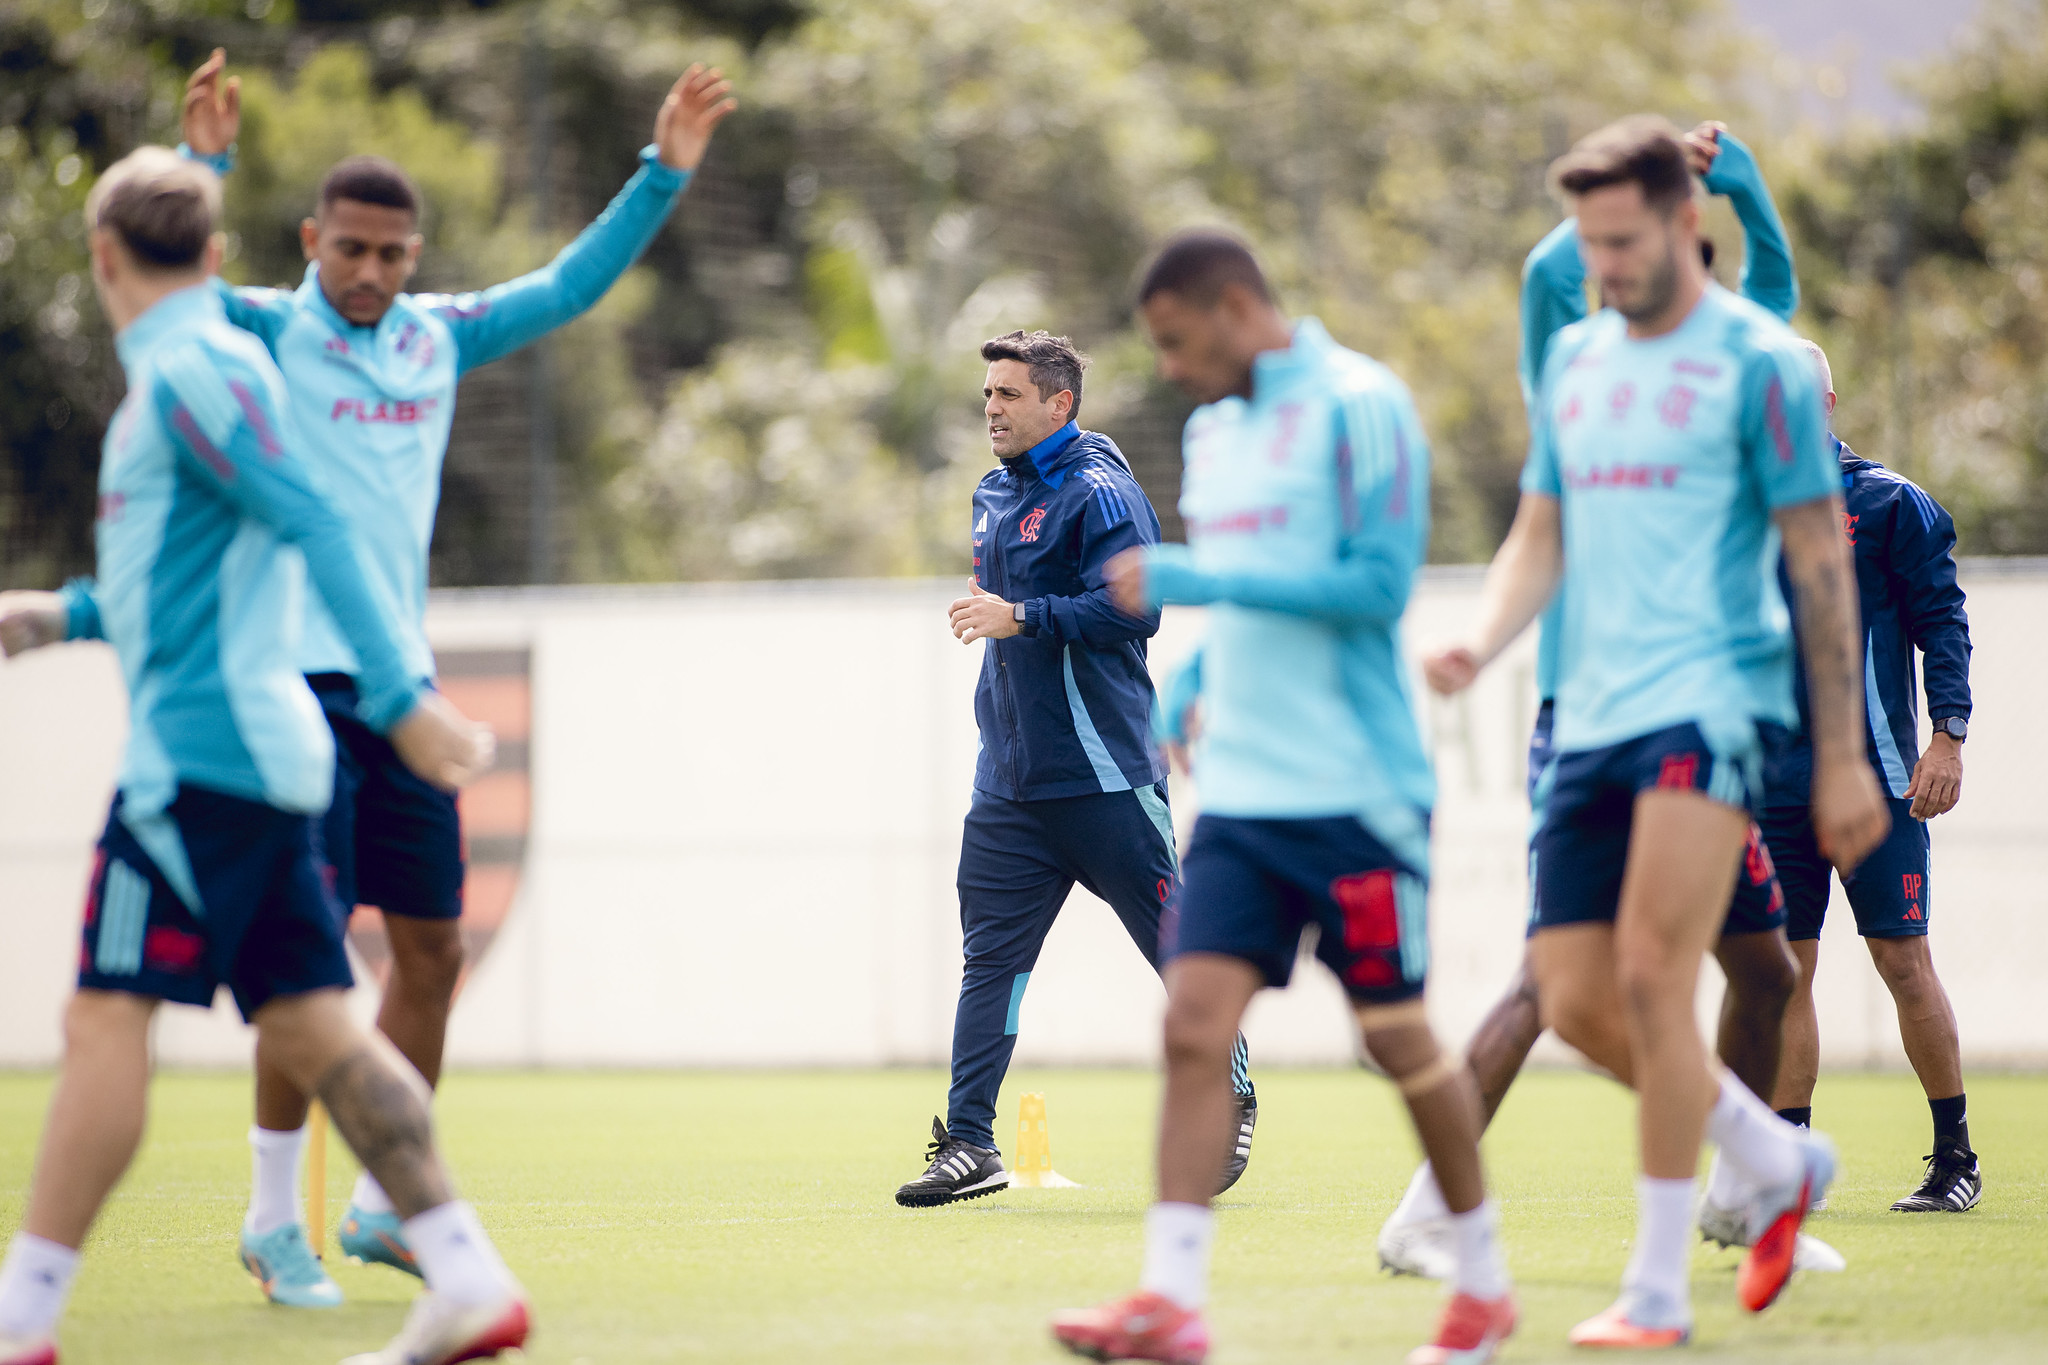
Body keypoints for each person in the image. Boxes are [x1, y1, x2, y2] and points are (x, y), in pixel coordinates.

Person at [175, 50, 734, 1300]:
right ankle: (273, 1221)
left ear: (414, 255)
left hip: (402, 697)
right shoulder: (267, 327)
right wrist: (201, 164)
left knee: (431, 955)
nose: (370, 272)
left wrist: (663, 172)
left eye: (391, 254)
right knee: (307, 964)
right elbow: (168, 285)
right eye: (349, 250)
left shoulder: (436, 338)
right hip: (293, 686)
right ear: (312, 241)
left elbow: (567, 287)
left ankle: (381, 1204)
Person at [0, 148, 523, 1365]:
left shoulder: (197, 373)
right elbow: (194, 576)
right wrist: (59, 617)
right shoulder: (207, 369)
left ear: (102, 256)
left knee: (114, 1019)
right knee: (304, 1027)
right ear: (222, 256)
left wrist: (398, 701)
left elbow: (313, 521)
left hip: (207, 765)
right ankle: (463, 1273)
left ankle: (24, 1316)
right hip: (231, 757)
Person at [1419, 116, 1892, 1348]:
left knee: (1650, 976)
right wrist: (1481, 638)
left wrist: (1841, 753)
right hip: (1588, 714)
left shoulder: (1761, 362)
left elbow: (1816, 559)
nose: (1605, 267)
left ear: (1686, 223)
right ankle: (1772, 1159)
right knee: (1574, 1001)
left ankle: (1656, 1292)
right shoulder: (1576, 362)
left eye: (1623, 242)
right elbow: (1537, 534)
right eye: (1589, 245)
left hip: (1711, 702)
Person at [1053, 233, 1516, 1365]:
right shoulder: (1212, 432)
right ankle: (1170, 1301)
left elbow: (1375, 586)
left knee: (1393, 1039)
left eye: (1175, 342)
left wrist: (1196, 580)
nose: (1169, 370)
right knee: (1192, 1026)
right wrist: (1197, 672)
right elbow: (1253, 594)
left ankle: (1483, 1282)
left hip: (1357, 793)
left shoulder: (1362, 405)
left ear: (1232, 305)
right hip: (1245, 798)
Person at [899, 330, 1257, 1208]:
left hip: (1104, 778)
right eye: (988, 393)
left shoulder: (1101, 491)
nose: (991, 407)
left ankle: (1233, 1092)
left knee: (1180, 952)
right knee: (990, 962)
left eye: (1009, 394)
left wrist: (1022, 615)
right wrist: (1009, 628)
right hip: (1010, 785)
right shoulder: (992, 492)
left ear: (1059, 403)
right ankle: (970, 1141)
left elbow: (1138, 611)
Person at [1764, 340, 1980, 1214]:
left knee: (1902, 960)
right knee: (1782, 970)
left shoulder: (1890, 502)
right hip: (1771, 784)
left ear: (1826, 402)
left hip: (1881, 777)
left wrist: (1948, 737)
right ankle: (1788, 1165)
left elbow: (1942, 621)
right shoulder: (1738, 507)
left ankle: (1955, 1157)